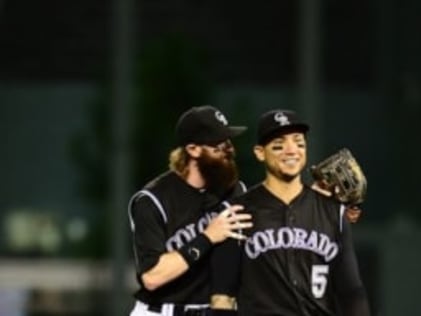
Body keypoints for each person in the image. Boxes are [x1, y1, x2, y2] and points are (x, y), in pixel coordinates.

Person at [210, 109, 371, 316]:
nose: (291, 150)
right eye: (279, 145)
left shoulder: (332, 212)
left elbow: (351, 292)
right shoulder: (237, 212)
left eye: (299, 143)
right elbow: (222, 297)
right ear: (260, 152)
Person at [128, 105, 253, 316]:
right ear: (193, 149)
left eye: (228, 142)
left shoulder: (234, 191)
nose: (228, 150)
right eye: (218, 145)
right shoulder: (153, 200)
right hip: (161, 312)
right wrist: (207, 237)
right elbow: (151, 277)